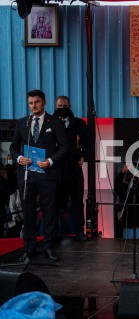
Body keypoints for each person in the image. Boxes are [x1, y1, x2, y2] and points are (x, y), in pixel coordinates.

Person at [9, 89, 68, 262]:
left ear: (44, 102)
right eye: (30, 103)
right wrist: (19, 158)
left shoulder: (56, 122)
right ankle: (29, 249)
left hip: (47, 173)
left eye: (37, 102)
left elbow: (64, 147)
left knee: (49, 211)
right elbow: (13, 147)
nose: (33, 106)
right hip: (27, 175)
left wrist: (50, 161)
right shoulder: (22, 123)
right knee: (28, 212)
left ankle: (49, 247)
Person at [53, 96, 93, 242]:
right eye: (59, 105)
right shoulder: (50, 122)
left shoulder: (79, 124)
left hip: (74, 168)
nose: (62, 108)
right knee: (55, 202)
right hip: (55, 168)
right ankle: (54, 233)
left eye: (64, 105)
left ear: (69, 106)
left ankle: (79, 231)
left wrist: (84, 157)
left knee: (77, 201)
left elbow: (89, 143)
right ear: (55, 106)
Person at [115, 164, 139, 240]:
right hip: (129, 229)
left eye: (134, 178)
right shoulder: (124, 190)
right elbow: (117, 184)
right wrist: (123, 171)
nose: (132, 179)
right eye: (130, 177)